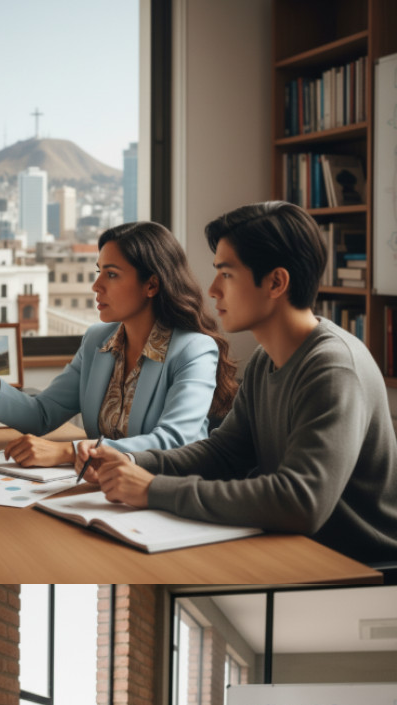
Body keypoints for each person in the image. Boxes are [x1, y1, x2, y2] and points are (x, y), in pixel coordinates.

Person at [86, 201, 397, 565]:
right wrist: (131, 460)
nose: (213, 289)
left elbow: (300, 502)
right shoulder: (268, 358)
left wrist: (153, 489)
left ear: (276, 282)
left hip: (360, 568)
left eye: (226, 274)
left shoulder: (333, 369)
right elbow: (224, 454)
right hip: (296, 549)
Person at [0, 222, 236, 472]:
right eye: (98, 272)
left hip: (164, 493)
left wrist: (67, 451)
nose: (96, 286)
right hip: (104, 490)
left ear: (151, 285)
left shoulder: (194, 349)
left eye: (111, 274)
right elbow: (41, 414)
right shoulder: (97, 341)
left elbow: (175, 442)